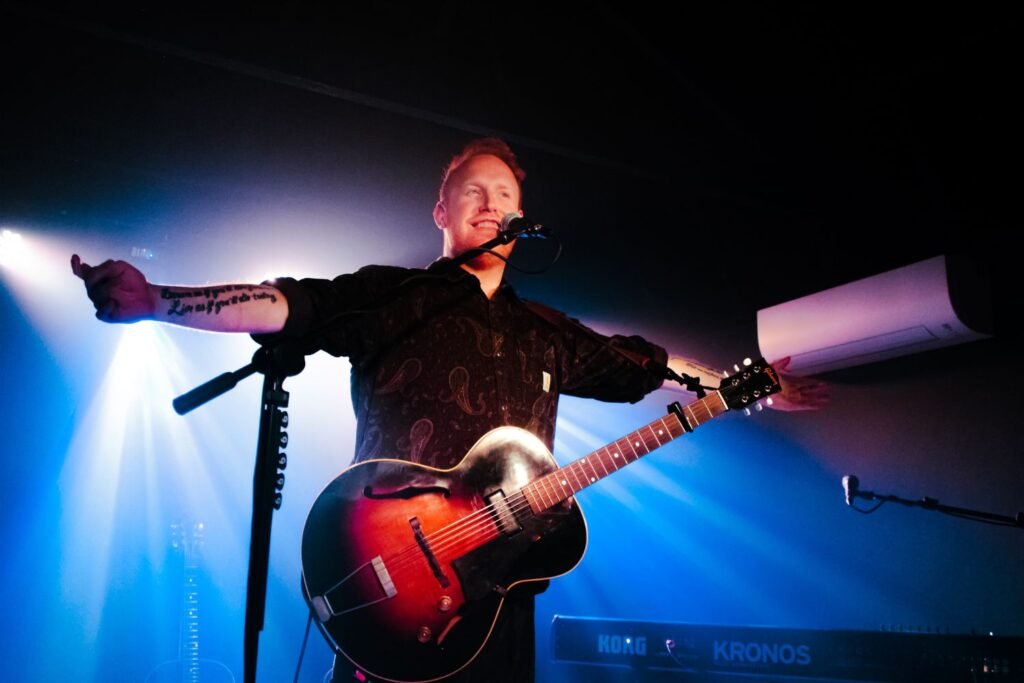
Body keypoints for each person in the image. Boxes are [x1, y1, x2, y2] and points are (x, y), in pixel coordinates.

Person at [72, 138, 826, 681]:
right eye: (476, 189)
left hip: (495, 604)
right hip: (389, 579)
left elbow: (647, 365)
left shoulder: (546, 331)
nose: (492, 203)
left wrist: (739, 383)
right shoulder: (394, 296)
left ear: (522, 218)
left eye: (506, 195)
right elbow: (291, 304)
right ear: (442, 207)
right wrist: (160, 301)